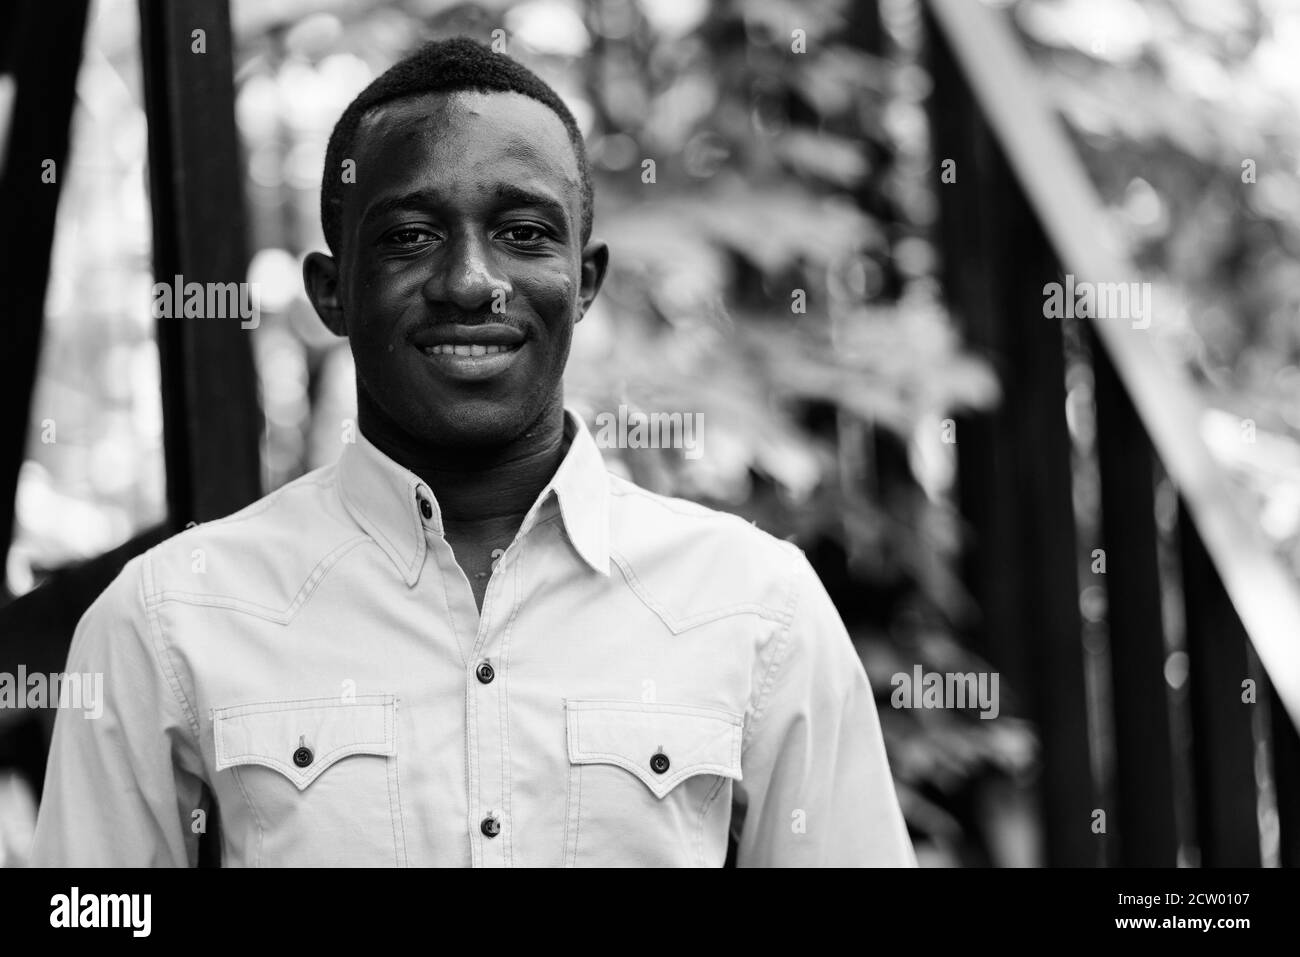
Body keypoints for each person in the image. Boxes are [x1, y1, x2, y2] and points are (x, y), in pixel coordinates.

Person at [30, 37, 915, 868]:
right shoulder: (164, 619)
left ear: (586, 281)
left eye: (525, 233)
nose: (469, 282)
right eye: (410, 236)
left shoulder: (757, 608)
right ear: (333, 293)